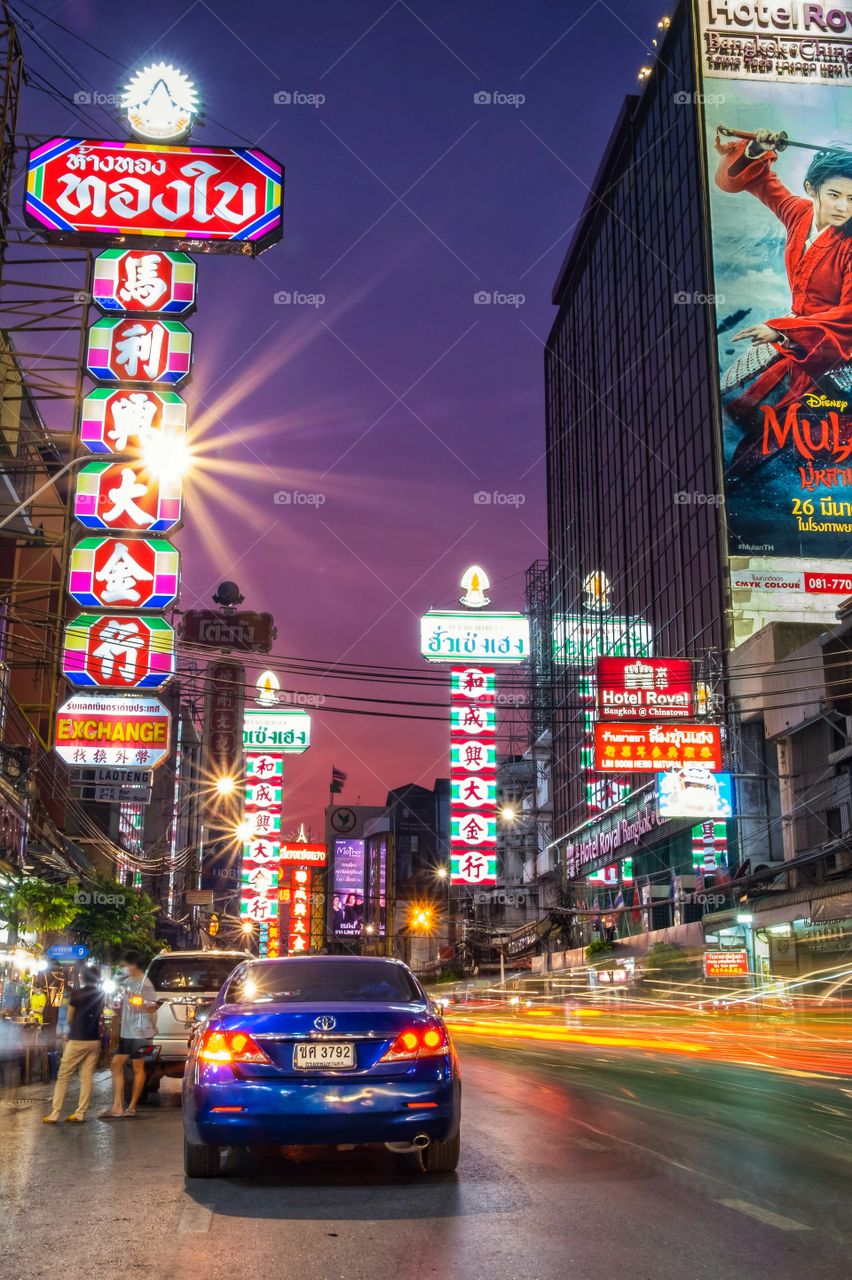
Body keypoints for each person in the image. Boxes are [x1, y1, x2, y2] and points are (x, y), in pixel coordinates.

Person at [714, 128, 852, 439]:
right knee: (737, 407)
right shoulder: (798, 212)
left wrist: (783, 329)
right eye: (834, 195)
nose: (843, 207)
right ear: (811, 189)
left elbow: (849, 315)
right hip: (797, 340)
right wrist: (755, 150)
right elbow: (748, 180)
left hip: (837, 349)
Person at [100, 950, 158, 1119]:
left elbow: (153, 1007)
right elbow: (121, 1005)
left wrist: (139, 1002)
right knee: (116, 1065)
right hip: (127, 1031)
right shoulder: (126, 983)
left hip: (140, 1031)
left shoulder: (145, 984)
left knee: (137, 1067)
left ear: (135, 965)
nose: (125, 967)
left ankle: (131, 1106)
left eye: (127, 964)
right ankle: (117, 1106)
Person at [43, 965, 104, 1124]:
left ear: (82, 977)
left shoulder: (76, 994)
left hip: (77, 1039)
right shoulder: (100, 995)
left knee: (63, 1075)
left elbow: (69, 1018)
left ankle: (55, 1113)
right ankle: (80, 1112)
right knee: (86, 1078)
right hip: (94, 1041)